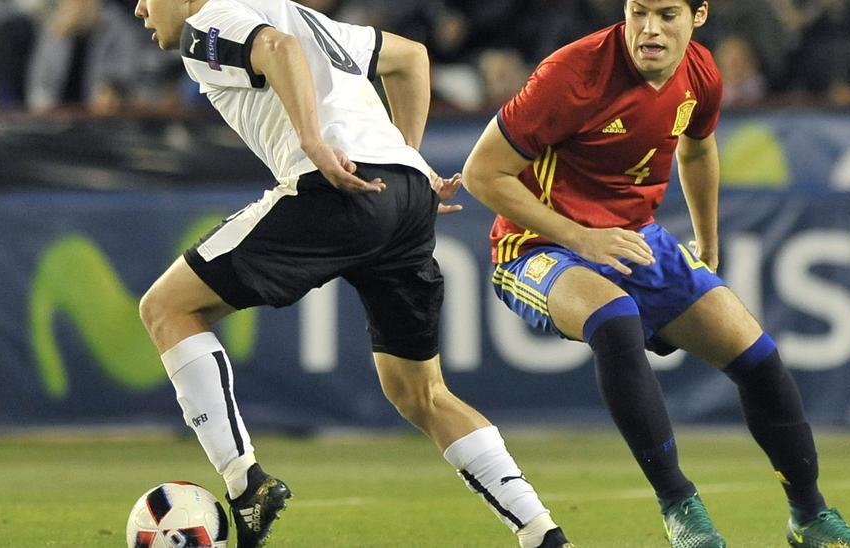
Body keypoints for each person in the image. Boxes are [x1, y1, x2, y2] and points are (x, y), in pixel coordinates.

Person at [131, 1, 573, 547]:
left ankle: (245, 487)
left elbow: (276, 49)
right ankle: (542, 534)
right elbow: (412, 58)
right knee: (422, 393)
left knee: (167, 307)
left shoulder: (205, 26)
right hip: (408, 194)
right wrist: (406, 157)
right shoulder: (300, 13)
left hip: (333, 185)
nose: (139, 8)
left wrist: (313, 142)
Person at [460, 1, 850, 547]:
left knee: (759, 360)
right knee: (615, 319)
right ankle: (680, 507)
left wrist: (707, 239)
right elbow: (480, 173)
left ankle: (811, 518)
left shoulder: (701, 72)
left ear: (699, 15)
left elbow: (698, 149)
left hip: (637, 238)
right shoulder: (571, 73)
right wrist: (581, 236)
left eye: (666, 14)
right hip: (539, 246)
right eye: (638, 12)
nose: (650, 29)